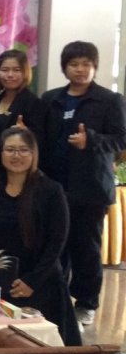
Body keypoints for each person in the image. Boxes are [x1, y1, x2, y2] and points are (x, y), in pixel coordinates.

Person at [41, 41, 126, 326]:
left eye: (86, 64)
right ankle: (57, 299)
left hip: (90, 188)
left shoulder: (109, 100)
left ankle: (86, 303)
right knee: (56, 245)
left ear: (95, 67)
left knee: (86, 247)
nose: (80, 69)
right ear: (65, 67)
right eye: (74, 64)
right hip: (54, 184)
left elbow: (121, 139)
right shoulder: (51, 98)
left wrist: (92, 140)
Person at [0, 127, 82, 345]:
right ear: (0, 153)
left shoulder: (51, 190)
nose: (16, 155)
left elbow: (57, 242)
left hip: (41, 283)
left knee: (41, 350)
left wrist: (33, 281)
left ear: (34, 154)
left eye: (23, 150)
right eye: (10, 149)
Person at [0, 49, 46, 166]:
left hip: (16, 166)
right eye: (5, 70)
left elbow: (42, 141)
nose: (10, 75)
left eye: (16, 70)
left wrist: (26, 132)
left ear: (25, 72)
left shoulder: (34, 103)